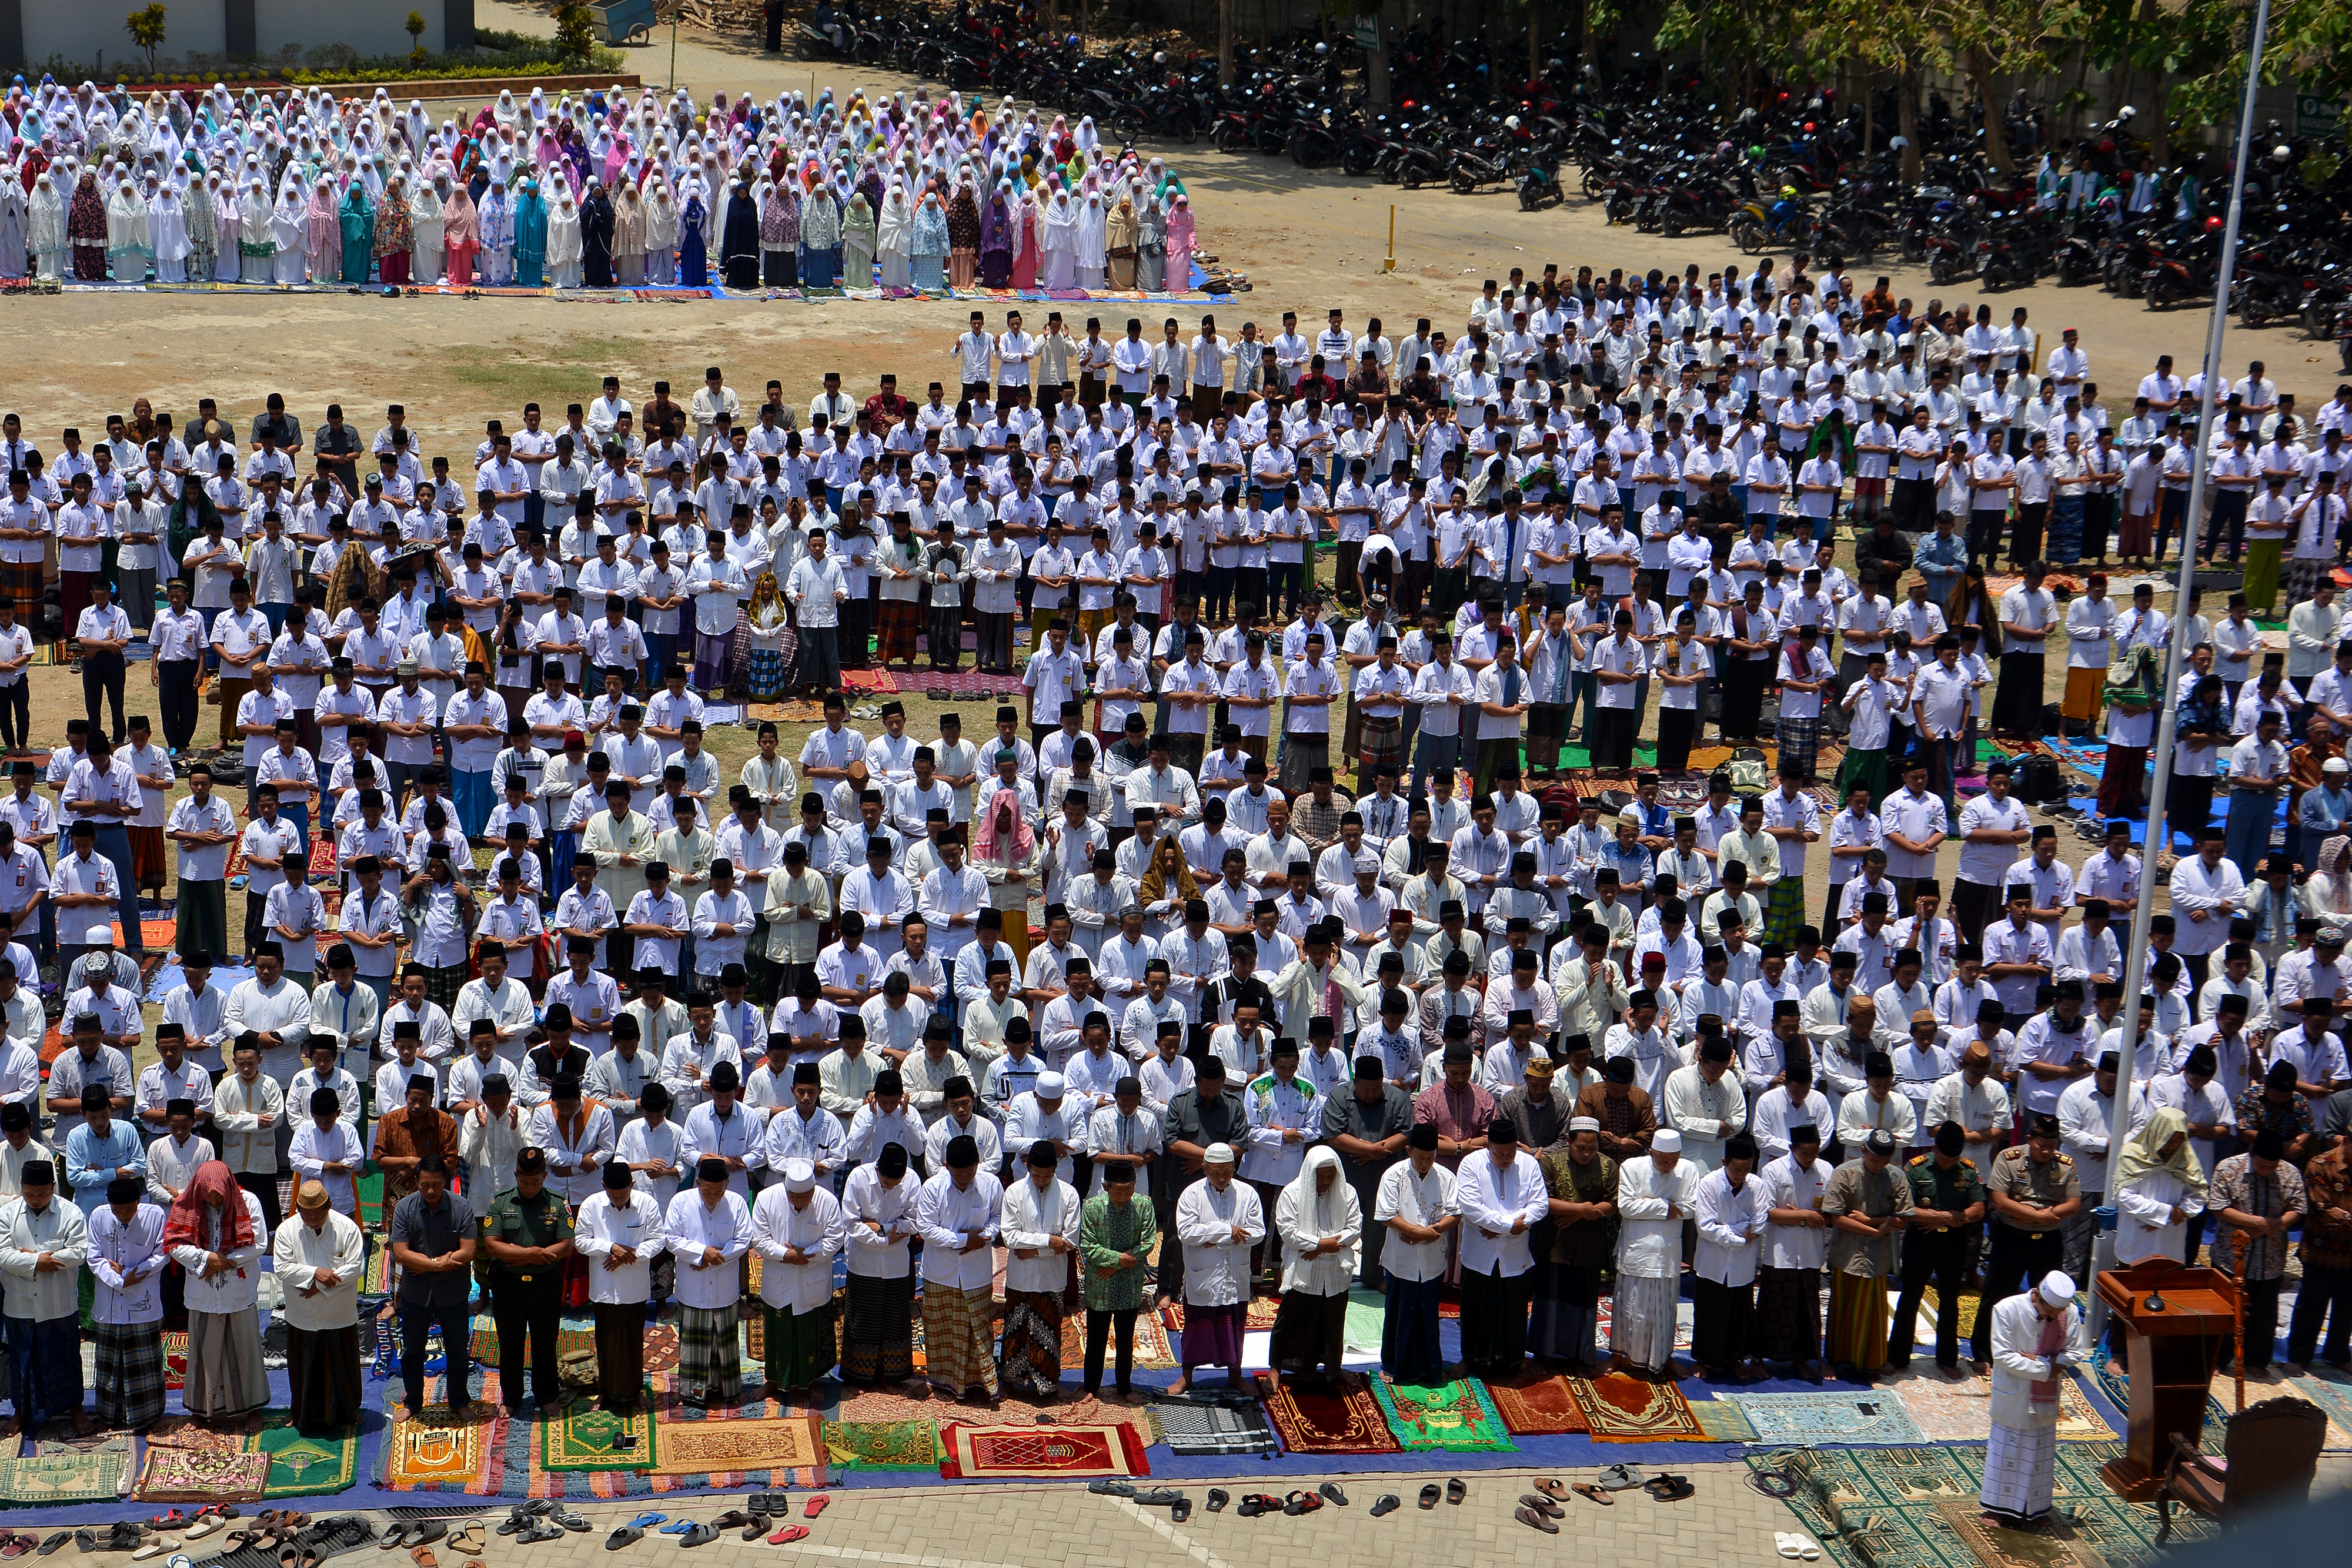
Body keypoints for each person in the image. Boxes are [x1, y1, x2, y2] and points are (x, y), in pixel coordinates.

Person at [1979, 1271, 2089, 1531]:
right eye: (2049, 1311)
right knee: (2007, 1452)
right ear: (2037, 1296)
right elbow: (2003, 1356)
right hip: (2014, 1393)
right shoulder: (2006, 1309)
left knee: (2040, 1454)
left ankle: (2035, 1509)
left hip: (2045, 1397)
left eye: (2056, 1313)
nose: (2052, 1318)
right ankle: (1997, 1508)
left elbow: (2075, 1352)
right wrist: (2047, 1367)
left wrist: (2043, 1362)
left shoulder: (2068, 1314)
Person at [166, 1156, 270, 1423]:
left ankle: (251, 1409)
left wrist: (223, 1262)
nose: (213, 1201)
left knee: (244, 1351)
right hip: (202, 1290)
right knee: (204, 1353)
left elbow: (259, 1244)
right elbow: (174, 1244)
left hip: (237, 1287)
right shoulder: (186, 1203)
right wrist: (205, 1260)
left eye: (218, 1196)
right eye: (209, 1196)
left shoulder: (248, 1201)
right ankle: (202, 1410)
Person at [483, 1146, 576, 1415]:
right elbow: (492, 1245)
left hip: (545, 1283)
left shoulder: (558, 1204)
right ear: (516, 1176)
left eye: (535, 1182)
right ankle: (512, 1398)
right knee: (510, 1342)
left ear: (545, 1176)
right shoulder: (501, 1202)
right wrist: (530, 1254)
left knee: (545, 1341)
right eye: (524, 1182)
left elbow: (566, 1246)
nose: (530, 1187)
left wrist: (528, 1257)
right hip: (508, 1284)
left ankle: (546, 1396)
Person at [0, 1159, 89, 1435]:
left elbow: (79, 1251)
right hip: (21, 1303)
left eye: (42, 1194)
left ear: (53, 1187)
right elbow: (2, 1253)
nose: (35, 1199)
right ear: (21, 1188)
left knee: (66, 1358)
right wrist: (38, 1261)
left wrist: (39, 1258)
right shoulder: (7, 1213)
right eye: (29, 1194)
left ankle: (75, 1410)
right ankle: (21, 1412)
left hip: (58, 1303)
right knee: (22, 1361)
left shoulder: (70, 1213)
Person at [272, 1176, 366, 1433]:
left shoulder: (347, 1228)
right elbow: (282, 1268)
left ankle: (348, 1411)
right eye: (307, 1216)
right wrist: (315, 1273)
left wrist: (321, 1287)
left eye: (318, 1216)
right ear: (298, 1210)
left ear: (329, 1207)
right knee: (304, 1367)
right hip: (302, 1314)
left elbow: (356, 1267)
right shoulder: (287, 1230)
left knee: (341, 1365)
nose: (312, 1221)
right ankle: (300, 1412)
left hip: (338, 1313)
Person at [1821, 1129, 1915, 1383]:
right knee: (1842, 1309)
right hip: (1847, 1253)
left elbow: (1904, 1217)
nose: (1878, 1166)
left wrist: (1869, 1221)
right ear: (1863, 1151)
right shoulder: (1845, 1173)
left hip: (1877, 1257)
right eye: (1875, 1161)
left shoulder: (1896, 1176)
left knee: (1872, 1312)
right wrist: (1875, 1230)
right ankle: (1834, 1360)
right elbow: (1835, 1217)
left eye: (1884, 1162)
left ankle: (1870, 1362)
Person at [917, 1132, 1004, 1401]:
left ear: (978, 1165)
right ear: (946, 1167)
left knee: (978, 1329)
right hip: (940, 1272)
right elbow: (926, 1229)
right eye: (958, 1175)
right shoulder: (932, 1188)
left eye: (969, 1174)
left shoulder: (991, 1185)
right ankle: (938, 1379)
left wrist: (984, 1237)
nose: (964, 1179)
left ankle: (980, 1383)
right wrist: (965, 1240)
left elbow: (998, 1217)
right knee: (939, 1329)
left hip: (976, 1272)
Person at [1170, 1141, 1262, 1395]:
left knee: (1234, 1329)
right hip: (1204, 1275)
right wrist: (1227, 1231)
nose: (1222, 1178)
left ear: (1234, 1168)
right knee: (1196, 1328)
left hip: (1235, 1275)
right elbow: (1186, 1233)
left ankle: (1235, 1376)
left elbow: (1257, 1233)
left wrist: (1214, 1239)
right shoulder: (1191, 1194)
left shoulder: (1247, 1194)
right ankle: (1187, 1376)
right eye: (1216, 1172)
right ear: (1204, 1169)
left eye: (1227, 1172)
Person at [387, 1154, 476, 1417]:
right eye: (425, 1184)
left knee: (458, 1349)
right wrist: (438, 1265)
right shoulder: (405, 1208)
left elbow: (468, 1251)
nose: (430, 1191)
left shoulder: (462, 1207)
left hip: (453, 1291)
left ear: (446, 1181)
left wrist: (427, 1264)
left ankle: (459, 1401)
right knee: (412, 1350)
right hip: (417, 1292)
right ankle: (413, 1402)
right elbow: (401, 1252)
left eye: (436, 1184)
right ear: (416, 1181)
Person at [753, 1156, 846, 1399]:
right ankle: (774, 1382)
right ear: (786, 1190)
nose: (801, 1202)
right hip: (779, 1280)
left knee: (811, 1335)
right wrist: (786, 1255)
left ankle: (812, 1382)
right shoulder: (766, 1198)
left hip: (812, 1280)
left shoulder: (827, 1201)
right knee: (779, 1334)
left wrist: (807, 1255)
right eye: (795, 1197)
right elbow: (760, 1240)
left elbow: (835, 1239)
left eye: (806, 1197)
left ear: (814, 1190)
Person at [663, 1155, 751, 1407]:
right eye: (707, 1192)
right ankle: (690, 1391)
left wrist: (713, 1259)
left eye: (718, 1193)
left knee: (725, 1341)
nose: (712, 1198)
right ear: (698, 1183)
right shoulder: (681, 1201)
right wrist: (702, 1253)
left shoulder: (736, 1203)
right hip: (693, 1286)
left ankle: (728, 1389)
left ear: (727, 1185)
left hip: (724, 1285)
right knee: (694, 1343)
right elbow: (671, 1238)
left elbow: (744, 1239)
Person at [1268, 1144, 1359, 1386]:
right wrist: (1321, 1244)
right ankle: (1276, 1368)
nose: (1326, 1182)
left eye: (1331, 1176)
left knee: (1333, 1323)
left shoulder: (1347, 1192)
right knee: (1291, 1320)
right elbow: (1288, 1232)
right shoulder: (1292, 1193)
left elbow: (1354, 1228)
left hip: (1335, 1271)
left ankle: (1334, 1368)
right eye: (1321, 1177)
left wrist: (1321, 1247)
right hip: (1303, 1270)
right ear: (1311, 1173)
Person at [1612, 1126, 1698, 1375]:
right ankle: (1618, 1356)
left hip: (1667, 1253)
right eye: (1663, 1161)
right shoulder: (1632, 1167)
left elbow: (1691, 1209)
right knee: (1629, 1308)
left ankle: (1664, 1357)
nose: (1669, 1166)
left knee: (1665, 1311)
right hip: (1637, 1250)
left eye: (1674, 1161)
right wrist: (1666, 1207)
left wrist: (1649, 1205)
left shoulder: (1688, 1170)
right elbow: (1626, 1207)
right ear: (1652, 1153)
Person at [998, 1140, 1080, 1401]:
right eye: (1037, 1175)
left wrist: (1034, 1251)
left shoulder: (1069, 1195)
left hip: (1051, 1278)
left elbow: (1070, 1240)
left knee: (1048, 1332)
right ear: (1028, 1168)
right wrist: (1047, 1241)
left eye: (1047, 1176)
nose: (1042, 1180)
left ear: (1055, 1169)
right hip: (1021, 1278)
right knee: (1016, 1331)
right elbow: (1010, 1237)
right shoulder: (1014, 1193)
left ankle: (1049, 1383)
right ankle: (1010, 1381)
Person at [86, 1174, 166, 1430]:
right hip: (109, 1302)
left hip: (142, 1300)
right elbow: (94, 1258)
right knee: (110, 1364)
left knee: (145, 1363)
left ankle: (150, 1416)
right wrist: (120, 1280)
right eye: (117, 1211)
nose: (123, 1215)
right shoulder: (99, 1216)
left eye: (129, 1211)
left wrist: (132, 1273)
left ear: (139, 1202)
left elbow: (162, 1254)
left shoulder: (155, 1216)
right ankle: (109, 1416)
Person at [1078, 1157, 1157, 1403]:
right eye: (1118, 1193)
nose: (1123, 1198)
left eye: (1128, 1192)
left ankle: (1125, 1386)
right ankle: (1091, 1386)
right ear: (1105, 1187)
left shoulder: (1144, 1205)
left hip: (1129, 1283)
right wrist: (1118, 1260)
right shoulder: (1092, 1207)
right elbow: (1088, 1245)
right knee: (1096, 1338)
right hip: (1100, 1284)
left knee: (1125, 1338)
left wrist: (1117, 1265)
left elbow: (1149, 1242)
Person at [1692, 1131, 1768, 1382]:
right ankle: (1706, 1360)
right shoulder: (1709, 1184)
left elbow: (1759, 1224)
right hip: (1712, 1264)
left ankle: (1735, 1359)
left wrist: (1729, 1230)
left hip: (1742, 1266)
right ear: (1725, 1163)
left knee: (1739, 1314)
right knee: (1710, 1314)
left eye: (1746, 1170)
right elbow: (1706, 1227)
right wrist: (1739, 1237)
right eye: (1736, 1170)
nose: (1741, 1175)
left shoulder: (1757, 1185)